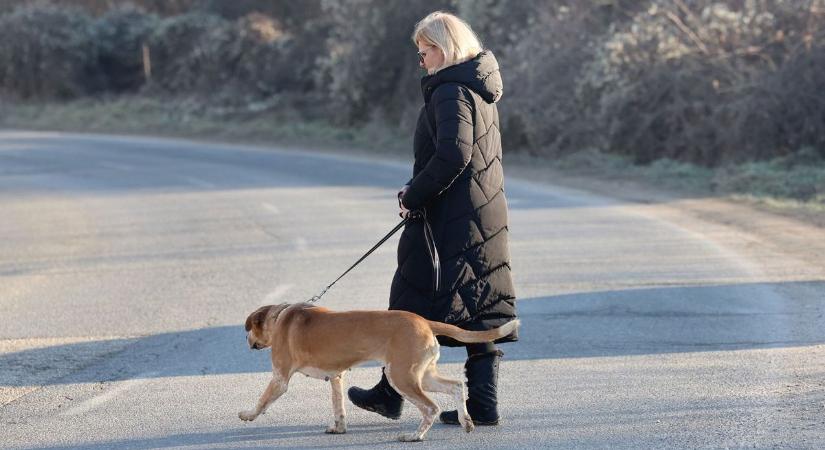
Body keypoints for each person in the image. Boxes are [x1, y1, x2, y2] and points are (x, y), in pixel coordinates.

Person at [347, 11, 518, 426]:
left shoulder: (450, 90)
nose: (421, 61)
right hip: (482, 211)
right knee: (480, 305)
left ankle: (390, 395)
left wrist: (414, 193)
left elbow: (453, 155)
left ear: (444, 49)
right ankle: (482, 405)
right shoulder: (479, 86)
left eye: (425, 52)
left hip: (449, 217)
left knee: (409, 302)